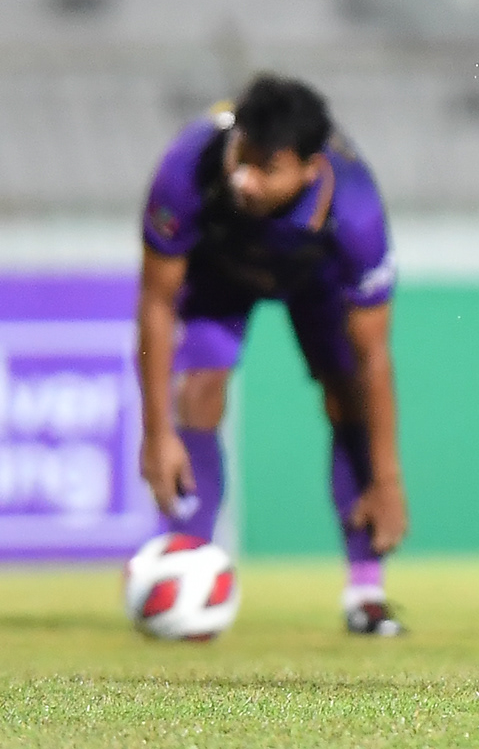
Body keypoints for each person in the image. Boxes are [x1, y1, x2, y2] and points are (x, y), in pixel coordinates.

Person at [135, 75, 408, 634]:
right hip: (220, 270)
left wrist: (386, 478)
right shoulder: (187, 168)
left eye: (267, 168)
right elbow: (157, 305)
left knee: (347, 397)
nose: (244, 178)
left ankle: (366, 591)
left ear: (310, 169)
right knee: (198, 391)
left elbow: (373, 358)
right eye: (241, 156)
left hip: (317, 280)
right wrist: (156, 432)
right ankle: (186, 570)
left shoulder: (356, 213)